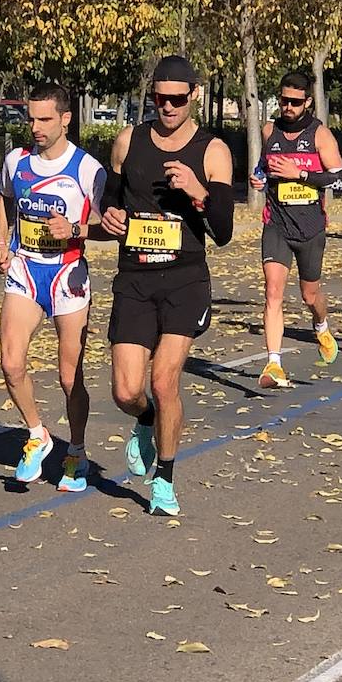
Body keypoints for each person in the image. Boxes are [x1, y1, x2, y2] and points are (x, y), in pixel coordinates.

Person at [101, 55, 234, 516]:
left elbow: (224, 230)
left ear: (194, 96)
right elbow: (108, 205)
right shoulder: (127, 143)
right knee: (126, 390)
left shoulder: (213, 150)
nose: (168, 107)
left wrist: (199, 191)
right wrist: (109, 216)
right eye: (160, 98)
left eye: (177, 99)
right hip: (135, 278)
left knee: (164, 379)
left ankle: (165, 479)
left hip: (185, 280)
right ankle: (146, 421)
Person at [0, 83, 106, 492]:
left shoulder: (87, 169)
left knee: (68, 375)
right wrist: (1, 243)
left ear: (65, 119)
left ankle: (75, 451)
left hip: (67, 274)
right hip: (26, 268)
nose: (35, 127)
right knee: (11, 362)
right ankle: (38, 434)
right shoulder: (16, 161)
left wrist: (75, 228)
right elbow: (4, 199)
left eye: (44, 119)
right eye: (31, 118)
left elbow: (110, 226)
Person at [249, 71, 342, 388]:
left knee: (309, 294)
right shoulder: (269, 130)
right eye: (283, 100)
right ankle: (274, 364)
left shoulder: (320, 136)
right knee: (273, 293)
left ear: (307, 102)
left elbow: (339, 180)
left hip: (311, 227)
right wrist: (259, 178)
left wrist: (300, 174)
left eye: (294, 102)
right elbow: (264, 167)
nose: (287, 107)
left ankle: (321, 326)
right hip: (276, 223)